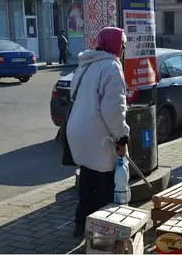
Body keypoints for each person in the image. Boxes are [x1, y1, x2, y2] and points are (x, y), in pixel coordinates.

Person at [66, 27, 130, 238]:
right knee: (105, 185)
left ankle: (80, 224)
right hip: (99, 135)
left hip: (77, 131)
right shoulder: (111, 67)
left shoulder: (86, 65)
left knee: (87, 178)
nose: (123, 48)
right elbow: (113, 109)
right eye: (122, 44)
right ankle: (104, 232)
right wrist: (122, 137)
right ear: (113, 44)